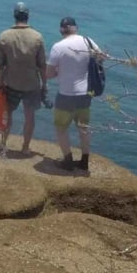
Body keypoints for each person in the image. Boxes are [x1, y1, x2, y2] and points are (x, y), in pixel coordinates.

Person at [0, 1, 47, 155]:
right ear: (28, 16)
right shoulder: (37, 37)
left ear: (14, 16)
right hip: (31, 84)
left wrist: (0, 84)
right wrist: (44, 84)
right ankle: (25, 147)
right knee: (29, 116)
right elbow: (42, 64)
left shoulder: (5, 36)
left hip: (11, 83)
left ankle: (3, 143)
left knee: (8, 114)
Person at [46, 15, 95, 173]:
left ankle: (68, 161)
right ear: (76, 28)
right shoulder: (88, 41)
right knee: (84, 128)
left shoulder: (58, 47)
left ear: (61, 30)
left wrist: (60, 71)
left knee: (61, 128)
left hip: (66, 95)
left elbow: (48, 73)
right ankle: (84, 161)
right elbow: (102, 58)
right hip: (85, 93)